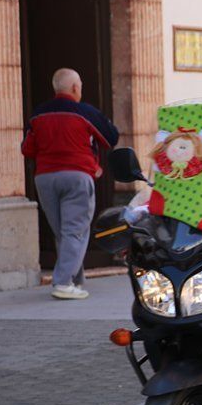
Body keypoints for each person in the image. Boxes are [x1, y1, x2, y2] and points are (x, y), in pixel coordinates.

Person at [21, 68, 119, 300]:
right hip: (77, 176)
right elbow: (111, 137)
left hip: (45, 178)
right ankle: (63, 283)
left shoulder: (38, 114)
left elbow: (27, 149)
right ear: (75, 88)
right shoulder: (84, 112)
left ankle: (75, 279)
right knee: (74, 231)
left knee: (63, 232)